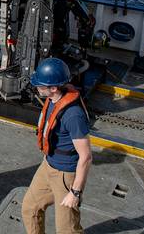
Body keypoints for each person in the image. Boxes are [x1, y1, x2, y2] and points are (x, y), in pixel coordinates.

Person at [21, 58, 93, 234]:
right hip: (48, 165)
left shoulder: (73, 115)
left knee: (67, 229)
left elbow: (86, 157)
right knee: (30, 209)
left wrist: (75, 192)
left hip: (65, 175)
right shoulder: (53, 99)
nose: (36, 87)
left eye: (40, 84)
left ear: (53, 88)